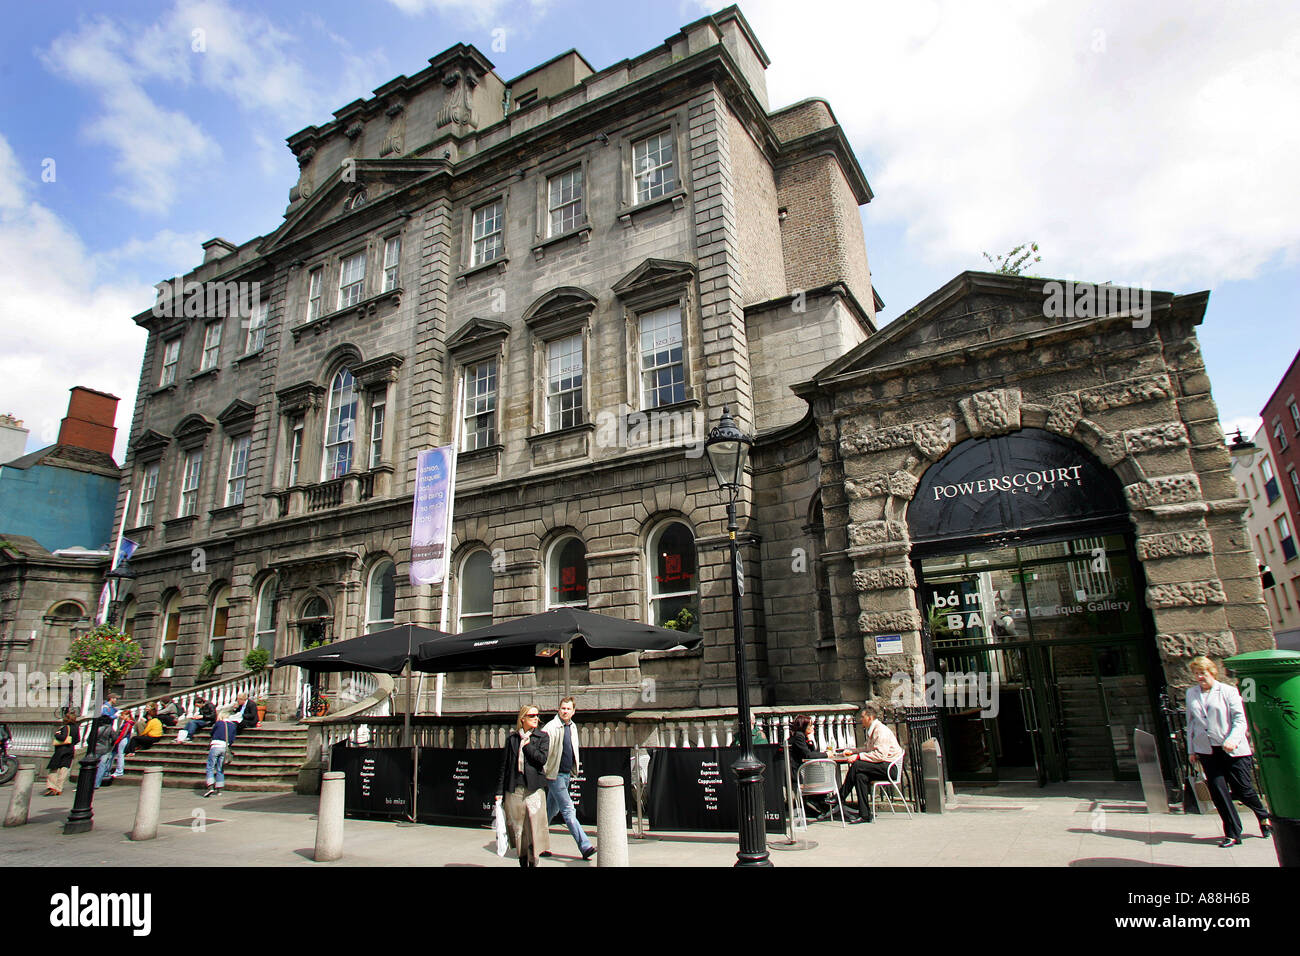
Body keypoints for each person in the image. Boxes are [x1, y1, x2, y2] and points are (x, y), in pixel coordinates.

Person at [1185, 656, 1272, 847]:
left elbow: (1240, 720)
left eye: (1203, 673)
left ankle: (1263, 816)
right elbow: (1190, 723)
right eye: (1196, 673)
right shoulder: (1191, 693)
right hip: (1207, 750)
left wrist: (1232, 740)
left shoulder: (1228, 691)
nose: (1199, 677)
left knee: (1243, 790)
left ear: (1212, 672)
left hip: (1233, 750)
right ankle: (1232, 833)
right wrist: (1191, 750)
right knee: (1218, 791)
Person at [495, 704, 550, 867]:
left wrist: (527, 745)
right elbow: (504, 767)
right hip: (515, 789)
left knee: (534, 830)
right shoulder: (512, 739)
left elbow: (541, 759)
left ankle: (534, 861)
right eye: (532, 715)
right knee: (519, 831)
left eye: (537, 715)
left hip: (534, 789)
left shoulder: (542, 737)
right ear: (523, 718)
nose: (536, 718)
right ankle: (522, 861)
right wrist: (499, 791)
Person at [541, 696, 596, 860]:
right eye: (563, 708)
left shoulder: (572, 726)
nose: (565, 711)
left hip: (566, 774)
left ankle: (534, 842)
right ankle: (585, 846)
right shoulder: (550, 727)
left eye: (568, 709)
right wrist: (546, 772)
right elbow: (543, 752)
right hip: (555, 775)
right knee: (568, 809)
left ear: (573, 711)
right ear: (559, 709)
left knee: (549, 811)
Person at [837, 704, 904, 823]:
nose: (860, 719)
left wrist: (858, 756)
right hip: (882, 765)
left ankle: (840, 797)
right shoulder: (873, 730)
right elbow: (868, 749)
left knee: (857, 765)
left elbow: (880, 755)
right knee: (860, 776)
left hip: (890, 768)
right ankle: (864, 814)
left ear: (870, 717)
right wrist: (853, 751)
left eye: (862, 717)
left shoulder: (880, 731)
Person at [788, 714, 857, 823]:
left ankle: (825, 804)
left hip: (805, 774)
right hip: (799, 775)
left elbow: (811, 752)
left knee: (820, 771)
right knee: (821, 772)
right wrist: (826, 755)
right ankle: (823, 803)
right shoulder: (799, 737)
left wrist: (811, 740)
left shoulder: (801, 736)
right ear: (803, 726)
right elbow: (808, 755)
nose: (812, 727)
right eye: (810, 725)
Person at [43, 708, 81, 796]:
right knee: (64, 769)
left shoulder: (65, 727)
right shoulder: (76, 728)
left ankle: (52, 786)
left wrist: (57, 735)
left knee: (54, 768)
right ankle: (59, 788)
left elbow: (63, 737)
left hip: (61, 750)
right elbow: (77, 740)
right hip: (70, 750)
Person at [95, 709, 136, 788]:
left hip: (123, 740)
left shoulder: (128, 723)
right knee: (116, 755)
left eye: (123, 715)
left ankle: (119, 770)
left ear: (127, 715)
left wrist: (117, 740)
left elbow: (123, 733)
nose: (121, 717)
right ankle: (111, 771)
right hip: (121, 740)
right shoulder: (126, 723)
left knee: (120, 755)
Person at [205, 708, 241, 797]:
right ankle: (219, 789)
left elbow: (212, 733)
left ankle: (210, 786)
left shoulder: (219, 723)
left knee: (210, 767)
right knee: (220, 768)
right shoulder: (233, 726)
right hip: (225, 747)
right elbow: (232, 739)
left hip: (216, 746)